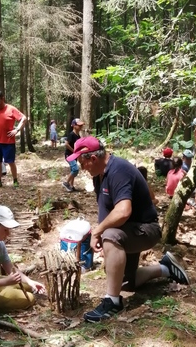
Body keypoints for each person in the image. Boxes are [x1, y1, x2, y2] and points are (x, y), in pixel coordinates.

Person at [67, 136, 189, 322]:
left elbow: (123, 211)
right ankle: (166, 268)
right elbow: (107, 210)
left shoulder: (119, 170)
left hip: (146, 229)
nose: (81, 167)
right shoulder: (99, 175)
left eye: (81, 161)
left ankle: (113, 302)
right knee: (126, 282)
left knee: (110, 236)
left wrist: (99, 232)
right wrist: (99, 236)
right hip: (128, 230)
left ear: (93, 158)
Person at [0, 205, 46, 311]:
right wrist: (6, 281)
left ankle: (22, 286)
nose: (8, 234)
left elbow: (9, 267)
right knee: (30, 298)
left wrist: (30, 281)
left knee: (29, 287)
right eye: (5, 230)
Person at [0, 91, 27, 188]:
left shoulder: (11, 109)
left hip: (8, 141)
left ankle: (15, 180)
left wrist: (17, 129)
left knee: (10, 161)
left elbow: (24, 118)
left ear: (3, 98)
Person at [62, 118, 84, 192]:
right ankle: (66, 183)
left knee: (73, 169)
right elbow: (66, 144)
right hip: (69, 155)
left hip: (74, 155)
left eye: (81, 125)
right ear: (74, 126)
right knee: (75, 169)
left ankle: (71, 186)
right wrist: (74, 151)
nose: (81, 127)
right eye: (79, 125)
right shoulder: (71, 134)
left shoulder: (78, 136)